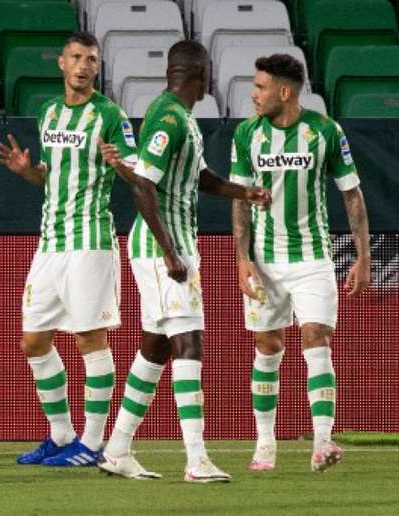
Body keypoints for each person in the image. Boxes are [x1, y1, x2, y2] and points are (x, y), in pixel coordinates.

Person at [98, 40, 271, 482]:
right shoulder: (171, 119)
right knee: (189, 342)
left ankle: (117, 449)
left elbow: (202, 179)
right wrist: (170, 252)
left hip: (172, 245)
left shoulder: (182, 121)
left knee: (154, 347)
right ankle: (196, 459)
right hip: (163, 249)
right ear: (203, 74)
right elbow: (142, 186)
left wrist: (243, 192)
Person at [0, 31, 139, 467]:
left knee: (89, 339)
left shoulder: (110, 115)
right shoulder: (50, 112)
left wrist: (121, 165)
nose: (83, 66)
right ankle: (61, 435)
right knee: (33, 341)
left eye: (91, 60)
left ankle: (93, 445)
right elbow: (51, 175)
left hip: (90, 242)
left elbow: (138, 173)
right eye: (76, 57)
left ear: (98, 67)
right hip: (50, 243)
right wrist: (29, 172)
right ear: (61, 63)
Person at [230, 54, 370, 472]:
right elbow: (239, 199)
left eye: (260, 87)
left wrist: (363, 257)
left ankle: (322, 443)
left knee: (316, 338)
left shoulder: (325, 132)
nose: (254, 95)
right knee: (268, 346)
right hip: (265, 260)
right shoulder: (246, 135)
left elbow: (352, 194)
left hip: (312, 258)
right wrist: (241, 259)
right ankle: (265, 442)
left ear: (285, 92)